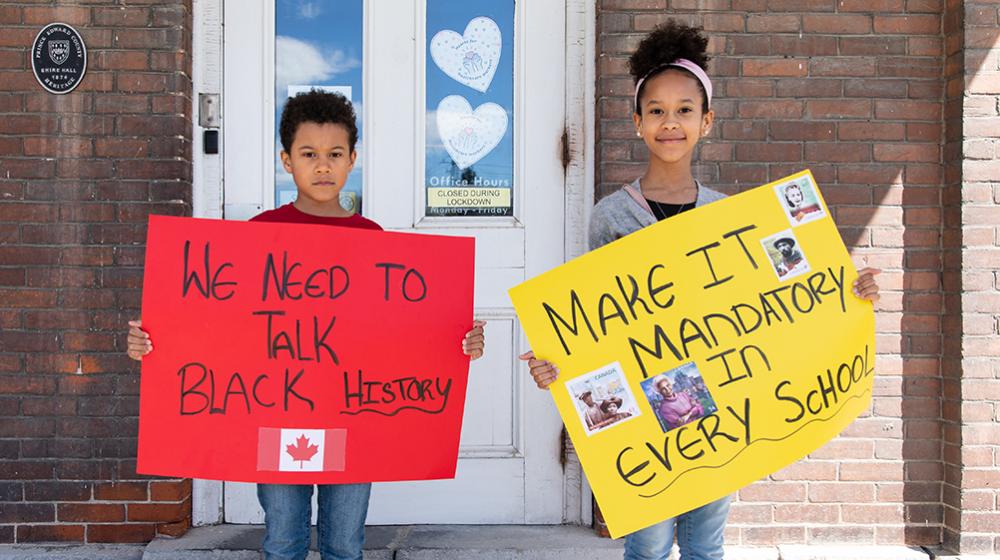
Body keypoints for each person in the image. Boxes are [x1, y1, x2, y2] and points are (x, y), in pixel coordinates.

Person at [519, 20, 881, 560]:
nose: (671, 123)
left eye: (685, 110)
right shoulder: (610, 217)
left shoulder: (729, 218)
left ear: (706, 121)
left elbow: (784, 299)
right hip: (642, 412)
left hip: (719, 409)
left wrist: (845, 293)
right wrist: (558, 363)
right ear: (637, 122)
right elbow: (595, 318)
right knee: (647, 545)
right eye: (658, 111)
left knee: (706, 546)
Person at [127, 90, 487, 560]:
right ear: (286, 160)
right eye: (309, 155)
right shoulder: (256, 238)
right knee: (283, 541)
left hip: (354, 423)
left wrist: (458, 342)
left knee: (344, 543)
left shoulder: (374, 242)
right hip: (277, 419)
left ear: (352, 160)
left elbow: (403, 332)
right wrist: (154, 342)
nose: (322, 166)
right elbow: (218, 324)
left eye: (335, 154)